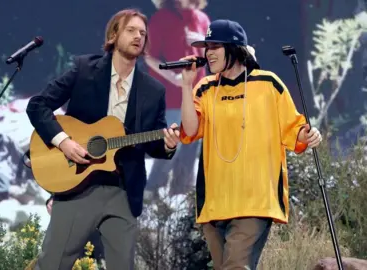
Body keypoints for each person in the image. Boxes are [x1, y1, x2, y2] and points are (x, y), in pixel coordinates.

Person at [26, 8, 180, 270]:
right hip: (78, 183)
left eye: (143, 33)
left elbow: (153, 143)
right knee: (52, 264)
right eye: (131, 30)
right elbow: (38, 105)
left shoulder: (153, 90)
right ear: (114, 34)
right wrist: (63, 141)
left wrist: (167, 145)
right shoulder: (84, 69)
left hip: (123, 189)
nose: (138, 36)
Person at [178, 19, 323, 269]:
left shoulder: (268, 83)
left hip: (254, 201)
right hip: (215, 203)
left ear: (234, 48)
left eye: (215, 46)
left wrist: (309, 134)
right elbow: (190, 130)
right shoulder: (205, 88)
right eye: (206, 47)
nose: (208, 52)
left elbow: (294, 128)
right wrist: (185, 85)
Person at [144, 0, 210, 197]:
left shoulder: (203, 19)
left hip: (198, 94)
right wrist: (173, 78)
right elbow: (149, 57)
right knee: (173, 142)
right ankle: (152, 189)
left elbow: (212, 55)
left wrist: (202, 43)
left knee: (192, 145)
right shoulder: (160, 19)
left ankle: (182, 194)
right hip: (170, 94)